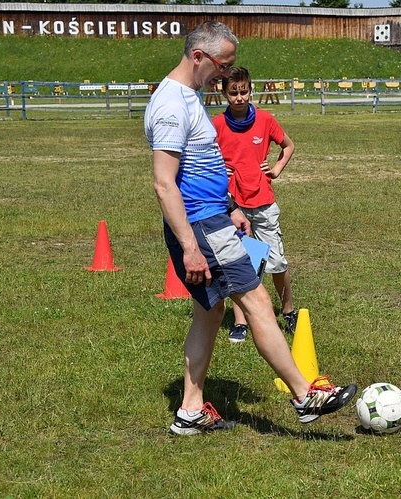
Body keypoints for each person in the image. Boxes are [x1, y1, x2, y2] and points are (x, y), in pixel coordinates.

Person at [143, 21, 355, 435]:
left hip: (213, 217)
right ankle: (304, 396)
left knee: (211, 311)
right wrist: (190, 245)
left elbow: (196, 169)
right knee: (257, 301)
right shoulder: (172, 104)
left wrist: (229, 206)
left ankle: (190, 411)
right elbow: (164, 182)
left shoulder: (189, 96)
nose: (226, 73)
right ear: (199, 57)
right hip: (201, 226)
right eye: (223, 64)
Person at [212, 67, 298, 343]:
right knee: (241, 263)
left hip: (263, 203)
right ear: (224, 93)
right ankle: (240, 321)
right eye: (233, 93)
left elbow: (288, 146)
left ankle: (288, 310)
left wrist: (277, 167)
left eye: (244, 91)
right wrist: (218, 170)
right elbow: (205, 156)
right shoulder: (217, 125)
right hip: (234, 206)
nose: (239, 98)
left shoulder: (265, 119)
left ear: (251, 90)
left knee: (276, 263)